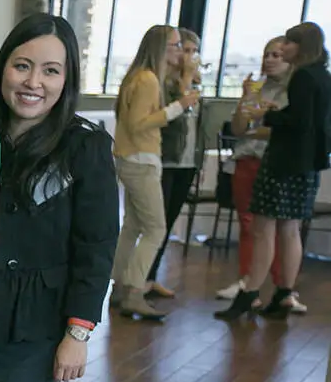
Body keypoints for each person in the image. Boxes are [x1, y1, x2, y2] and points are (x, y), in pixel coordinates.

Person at [0, 13, 118, 382]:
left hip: (35, 327)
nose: (33, 82)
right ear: (3, 68)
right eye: (22, 65)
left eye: (51, 71)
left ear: (66, 81)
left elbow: (97, 246)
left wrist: (78, 333)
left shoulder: (85, 145)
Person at [217, 22, 331, 319]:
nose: (283, 51)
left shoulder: (303, 76)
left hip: (284, 162)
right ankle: (283, 292)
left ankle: (250, 292)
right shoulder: (324, 76)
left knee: (263, 229)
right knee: (289, 229)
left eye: (288, 46)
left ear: (301, 46)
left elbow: (297, 122)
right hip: (307, 164)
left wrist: (265, 114)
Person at [109, 25, 199, 320]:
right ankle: (134, 290)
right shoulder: (147, 79)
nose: (178, 50)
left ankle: (119, 286)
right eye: (174, 45)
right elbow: (139, 123)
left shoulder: (139, 76)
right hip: (140, 159)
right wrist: (179, 106)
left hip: (130, 157)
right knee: (156, 229)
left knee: (133, 226)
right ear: (160, 48)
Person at [145, 28, 204, 298]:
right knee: (155, 223)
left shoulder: (194, 85)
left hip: (187, 161)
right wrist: (186, 80)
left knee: (167, 223)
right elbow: (173, 118)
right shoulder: (165, 84)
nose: (188, 55)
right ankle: (141, 278)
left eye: (193, 51)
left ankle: (151, 276)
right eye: (183, 49)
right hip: (166, 159)